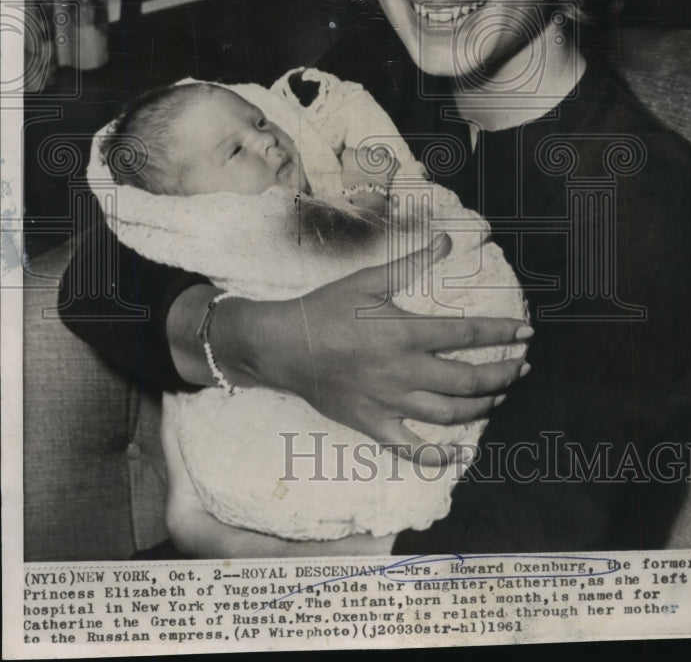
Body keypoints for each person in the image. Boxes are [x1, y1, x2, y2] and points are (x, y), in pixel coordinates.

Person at [62, 0, 691, 553]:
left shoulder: (640, 212)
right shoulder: (375, 70)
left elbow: (508, 572)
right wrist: (255, 341)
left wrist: (222, 544)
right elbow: (104, 252)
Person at [88, 70, 529, 556]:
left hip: (399, 548)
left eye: (259, 121)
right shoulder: (244, 223)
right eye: (235, 151)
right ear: (185, 209)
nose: (267, 139)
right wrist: (373, 196)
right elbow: (87, 280)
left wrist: (213, 535)